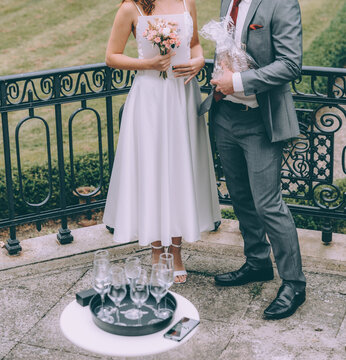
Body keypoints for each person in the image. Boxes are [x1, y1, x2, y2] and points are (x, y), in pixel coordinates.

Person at [200, 0, 306, 319]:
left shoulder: (282, 3)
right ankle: (258, 262)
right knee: (242, 197)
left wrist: (239, 83)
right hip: (224, 115)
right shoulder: (227, 1)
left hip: (260, 121)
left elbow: (290, 64)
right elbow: (229, 50)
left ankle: (294, 284)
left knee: (268, 204)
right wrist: (222, 81)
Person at [103, 0, 221, 284]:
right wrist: (148, 64)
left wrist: (199, 60)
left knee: (181, 170)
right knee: (153, 171)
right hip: (151, 98)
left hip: (182, 96)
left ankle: (176, 252)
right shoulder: (131, 8)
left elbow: (194, 45)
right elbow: (112, 56)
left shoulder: (186, 2)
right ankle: (157, 251)